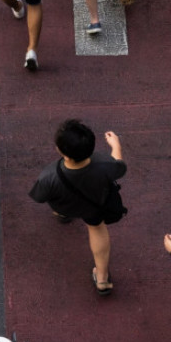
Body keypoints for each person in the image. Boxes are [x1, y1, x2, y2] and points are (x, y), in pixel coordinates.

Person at [29, 120, 126, 297]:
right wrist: (116, 145)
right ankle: (102, 278)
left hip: (65, 205)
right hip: (93, 207)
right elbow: (119, 166)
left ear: (64, 153)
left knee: (61, 209)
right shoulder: (105, 164)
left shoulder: (49, 177)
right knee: (96, 228)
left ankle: (62, 214)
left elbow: (40, 196)